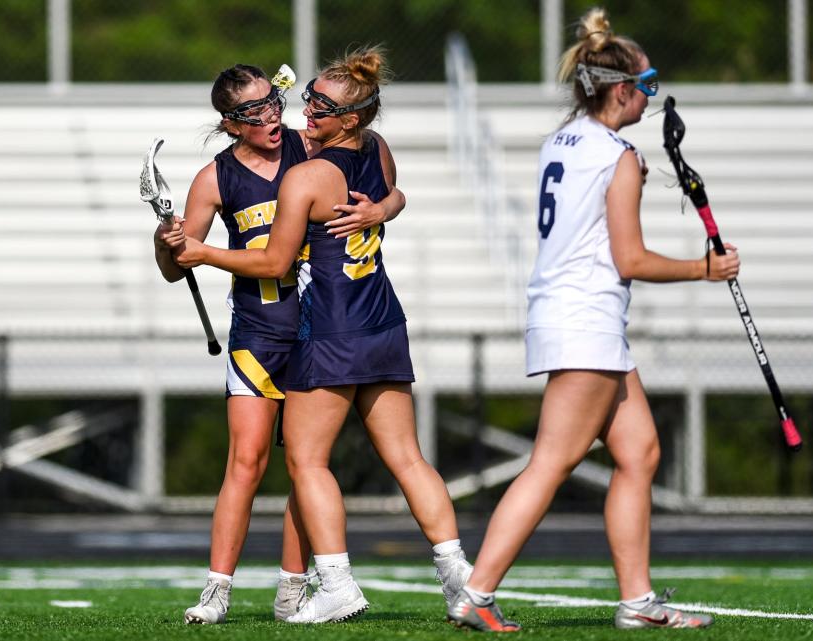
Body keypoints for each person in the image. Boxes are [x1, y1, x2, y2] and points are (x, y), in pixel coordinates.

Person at [446, 8, 738, 632]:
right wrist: (702, 270)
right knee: (552, 461)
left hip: (572, 313)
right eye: (646, 83)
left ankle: (637, 602)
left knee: (639, 451)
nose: (649, 96)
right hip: (586, 317)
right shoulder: (618, 155)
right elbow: (629, 258)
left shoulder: (563, 140)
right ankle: (476, 591)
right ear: (620, 88)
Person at [171, 46, 473, 624]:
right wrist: (384, 207)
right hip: (382, 318)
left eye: (314, 103)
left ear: (349, 118)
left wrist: (205, 251)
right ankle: (463, 581)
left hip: (328, 328)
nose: (299, 111)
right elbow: (396, 192)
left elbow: (277, 260)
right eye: (302, 97)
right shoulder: (377, 151)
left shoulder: (307, 170)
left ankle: (333, 585)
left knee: (307, 461)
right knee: (408, 459)